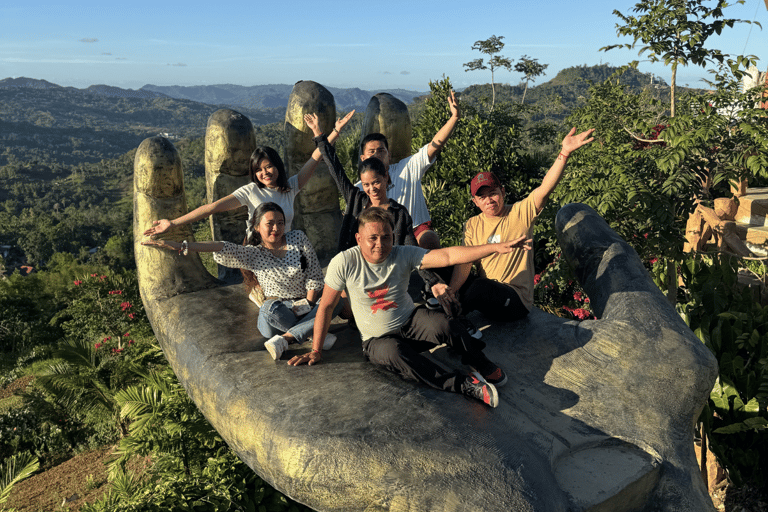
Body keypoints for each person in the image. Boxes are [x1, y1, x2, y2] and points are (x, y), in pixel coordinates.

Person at [287, 207, 533, 408]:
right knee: (397, 354)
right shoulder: (344, 262)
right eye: (372, 238)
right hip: (377, 339)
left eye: (386, 237)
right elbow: (326, 307)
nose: (380, 244)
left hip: (410, 322)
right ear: (359, 238)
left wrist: (494, 248)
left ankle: (480, 362)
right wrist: (316, 350)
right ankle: (462, 385)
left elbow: (447, 256)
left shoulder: (402, 253)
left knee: (447, 324)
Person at [142, 202, 339, 361]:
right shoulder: (254, 254)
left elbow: (314, 275)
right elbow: (221, 247)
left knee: (337, 298)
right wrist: (180, 245)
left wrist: (309, 303)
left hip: (306, 304)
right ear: (257, 227)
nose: (276, 228)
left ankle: (292, 337)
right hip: (278, 313)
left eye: (280, 222)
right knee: (269, 308)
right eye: (270, 223)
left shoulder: (298, 238)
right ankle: (312, 331)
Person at [305, 113, 450, 318]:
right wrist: (319, 133)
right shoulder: (356, 198)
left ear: (386, 178)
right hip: (356, 269)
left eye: (376, 183)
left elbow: (411, 248)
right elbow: (334, 167)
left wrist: (433, 281)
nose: (372, 189)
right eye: (366, 185)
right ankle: (292, 335)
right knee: (343, 311)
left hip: (385, 272)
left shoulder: (398, 213)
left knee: (363, 313)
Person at [445, 127, 596, 322]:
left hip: (514, 300)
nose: (489, 200)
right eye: (482, 197)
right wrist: (452, 291)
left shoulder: (519, 212)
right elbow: (465, 262)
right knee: (444, 268)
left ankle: (452, 320)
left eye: (492, 193)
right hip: (488, 295)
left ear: (503, 191)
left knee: (479, 288)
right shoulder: (473, 224)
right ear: (475, 202)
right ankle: (446, 310)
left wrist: (564, 153)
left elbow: (545, 188)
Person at [143, 110, 355, 237]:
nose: (265, 173)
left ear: (277, 167)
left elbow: (316, 157)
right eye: (259, 170)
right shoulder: (251, 191)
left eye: (269, 167)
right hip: (259, 255)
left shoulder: (290, 187)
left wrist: (335, 131)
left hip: (286, 253)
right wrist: (173, 223)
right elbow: (211, 208)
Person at [356, 90, 461, 250]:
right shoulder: (361, 187)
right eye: (372, 152)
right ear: (363, 158)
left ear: (389, 155)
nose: (377, 155)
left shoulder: (407, 167)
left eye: (381, 151)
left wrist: (454, 118)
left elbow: (434, 145)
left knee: (429, 239)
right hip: (383, 235)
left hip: (415, 230)